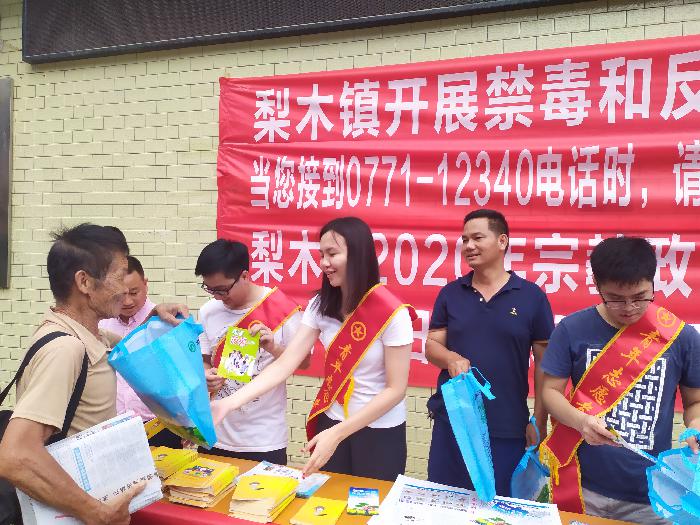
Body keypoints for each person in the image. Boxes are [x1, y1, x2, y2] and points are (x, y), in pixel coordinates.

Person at [0, 223, 187, 525]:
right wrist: (96, 513)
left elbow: (128, 348)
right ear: (84, 282)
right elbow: (15, 455)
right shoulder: (66, 349)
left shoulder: (90, 335)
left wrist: (154, 316)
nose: (126, 290)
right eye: (119, 276)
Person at [211, 217, 416, 480]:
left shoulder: (393, 313)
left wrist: (338, 433)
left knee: (373, 503)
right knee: (327, 500)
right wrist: (229, 403)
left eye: (332, 253)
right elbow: (286, 363)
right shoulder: (321, 305)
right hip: (331, 420)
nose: (324, 263)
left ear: (359, 254)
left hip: (379, 430)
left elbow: (395, 390)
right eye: (321, 255)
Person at [541, 236, 700, 523]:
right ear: (597, 285)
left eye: (640, 297)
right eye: (615, 298)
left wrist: (695, 428)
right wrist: (581, 421)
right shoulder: (572, 329)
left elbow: (695, 402)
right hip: (584, 486)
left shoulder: (681, 337)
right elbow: (550, 392)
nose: (629, 307)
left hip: (653, 493)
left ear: (653, 283)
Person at [425, 209, 554, 496]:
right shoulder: (451, 293)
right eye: (464, 240)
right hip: (454, 423)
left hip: (507, 426)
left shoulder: (531, 297)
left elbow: (545, 365)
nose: (468, 246)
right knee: (445, 503)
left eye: (477, 238)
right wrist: (450, 358)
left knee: (498, 507)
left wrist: (539, 419)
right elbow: (431, 346)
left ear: (502, 241)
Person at [195, 239, 305, 464]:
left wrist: (273, 347)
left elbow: (303, 363)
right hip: (216, 433)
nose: (216, 296)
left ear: (244, 275)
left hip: (263, 439)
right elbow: (204, 358)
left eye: (222, 289)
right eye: (209, 289)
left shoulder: (282, 310)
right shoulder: (208, 312)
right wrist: (206, 375)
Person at [98, 255, 181, 448]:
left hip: (159, 426)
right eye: (120, 294)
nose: (127, 301)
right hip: (113, 425)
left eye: (134, 292)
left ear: (146, 284)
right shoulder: (102, 323)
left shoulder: (165, 322)